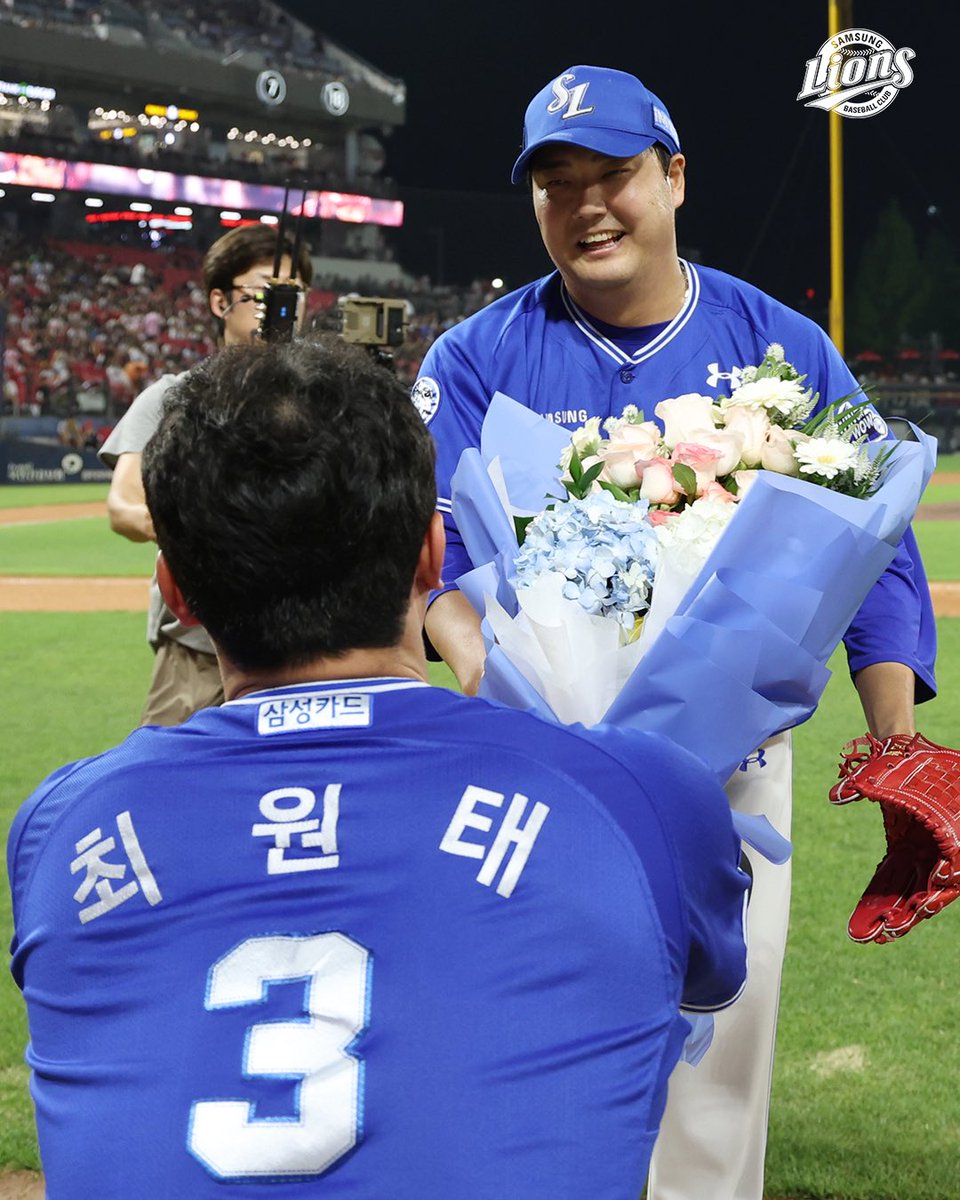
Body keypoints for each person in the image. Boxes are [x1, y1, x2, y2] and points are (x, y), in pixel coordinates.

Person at [8, 337, 748, 1198]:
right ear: (432, 557)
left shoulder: (60, 828)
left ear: (176, 592)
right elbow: (697, 995)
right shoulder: (639, 798)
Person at [413, 65, 937, 1200]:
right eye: (557, 185)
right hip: (534, 764)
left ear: (676, 178)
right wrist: (499, 681)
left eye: (614, 175)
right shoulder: (472, 358)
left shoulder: (779, 342)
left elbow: (879, 554)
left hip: (731, 770)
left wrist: (896, 736)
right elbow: (436, 561)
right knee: (537, 1040)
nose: (587, 205)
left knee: (719, 1070)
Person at [98, 224, 313, 726]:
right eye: (261, 289)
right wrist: (223, 529)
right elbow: (123, 508)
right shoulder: (173, 396)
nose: (280, 303)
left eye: (293, 292)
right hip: (199, 651)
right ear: (220, 302)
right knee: (171, 797)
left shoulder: (327, 401)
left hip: (311, 649)